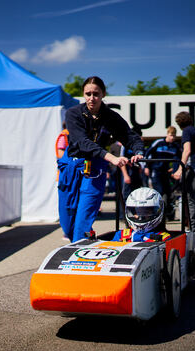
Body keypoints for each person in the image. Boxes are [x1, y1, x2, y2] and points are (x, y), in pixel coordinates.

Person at [58, 76, 144, 242]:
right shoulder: (73, 114)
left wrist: (138, 151)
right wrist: (111, 157)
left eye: (96, 94)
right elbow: (82, 142)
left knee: (83, 220)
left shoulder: (111, 117)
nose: (92, 98)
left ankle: (79, 255)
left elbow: (129, 136)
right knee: (68, 224)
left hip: (95, 170)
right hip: (72, 166)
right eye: (88, 93)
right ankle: (83, 242)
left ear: (103, 94)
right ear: (83, 94)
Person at [172, 111, 195, 235]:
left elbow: (187, 150)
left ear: (179, 123)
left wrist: (180, 170)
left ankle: (194, 229)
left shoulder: (186, 132)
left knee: (190, 198)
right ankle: (194, 227)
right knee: (193, 198)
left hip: (193, 166)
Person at [144, 125, 181, 220]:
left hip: (166, 172)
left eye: (174, 136)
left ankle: (168, 214)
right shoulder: (159, 142)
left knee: (168, 193)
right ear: (167, 135)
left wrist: (176, 170)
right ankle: (156, 215)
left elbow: (179, 159)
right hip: (155, 171)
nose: (172, 137)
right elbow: (147, 153)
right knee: (159, 192)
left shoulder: (175, 146)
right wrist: (147, 167)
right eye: (170, 135)